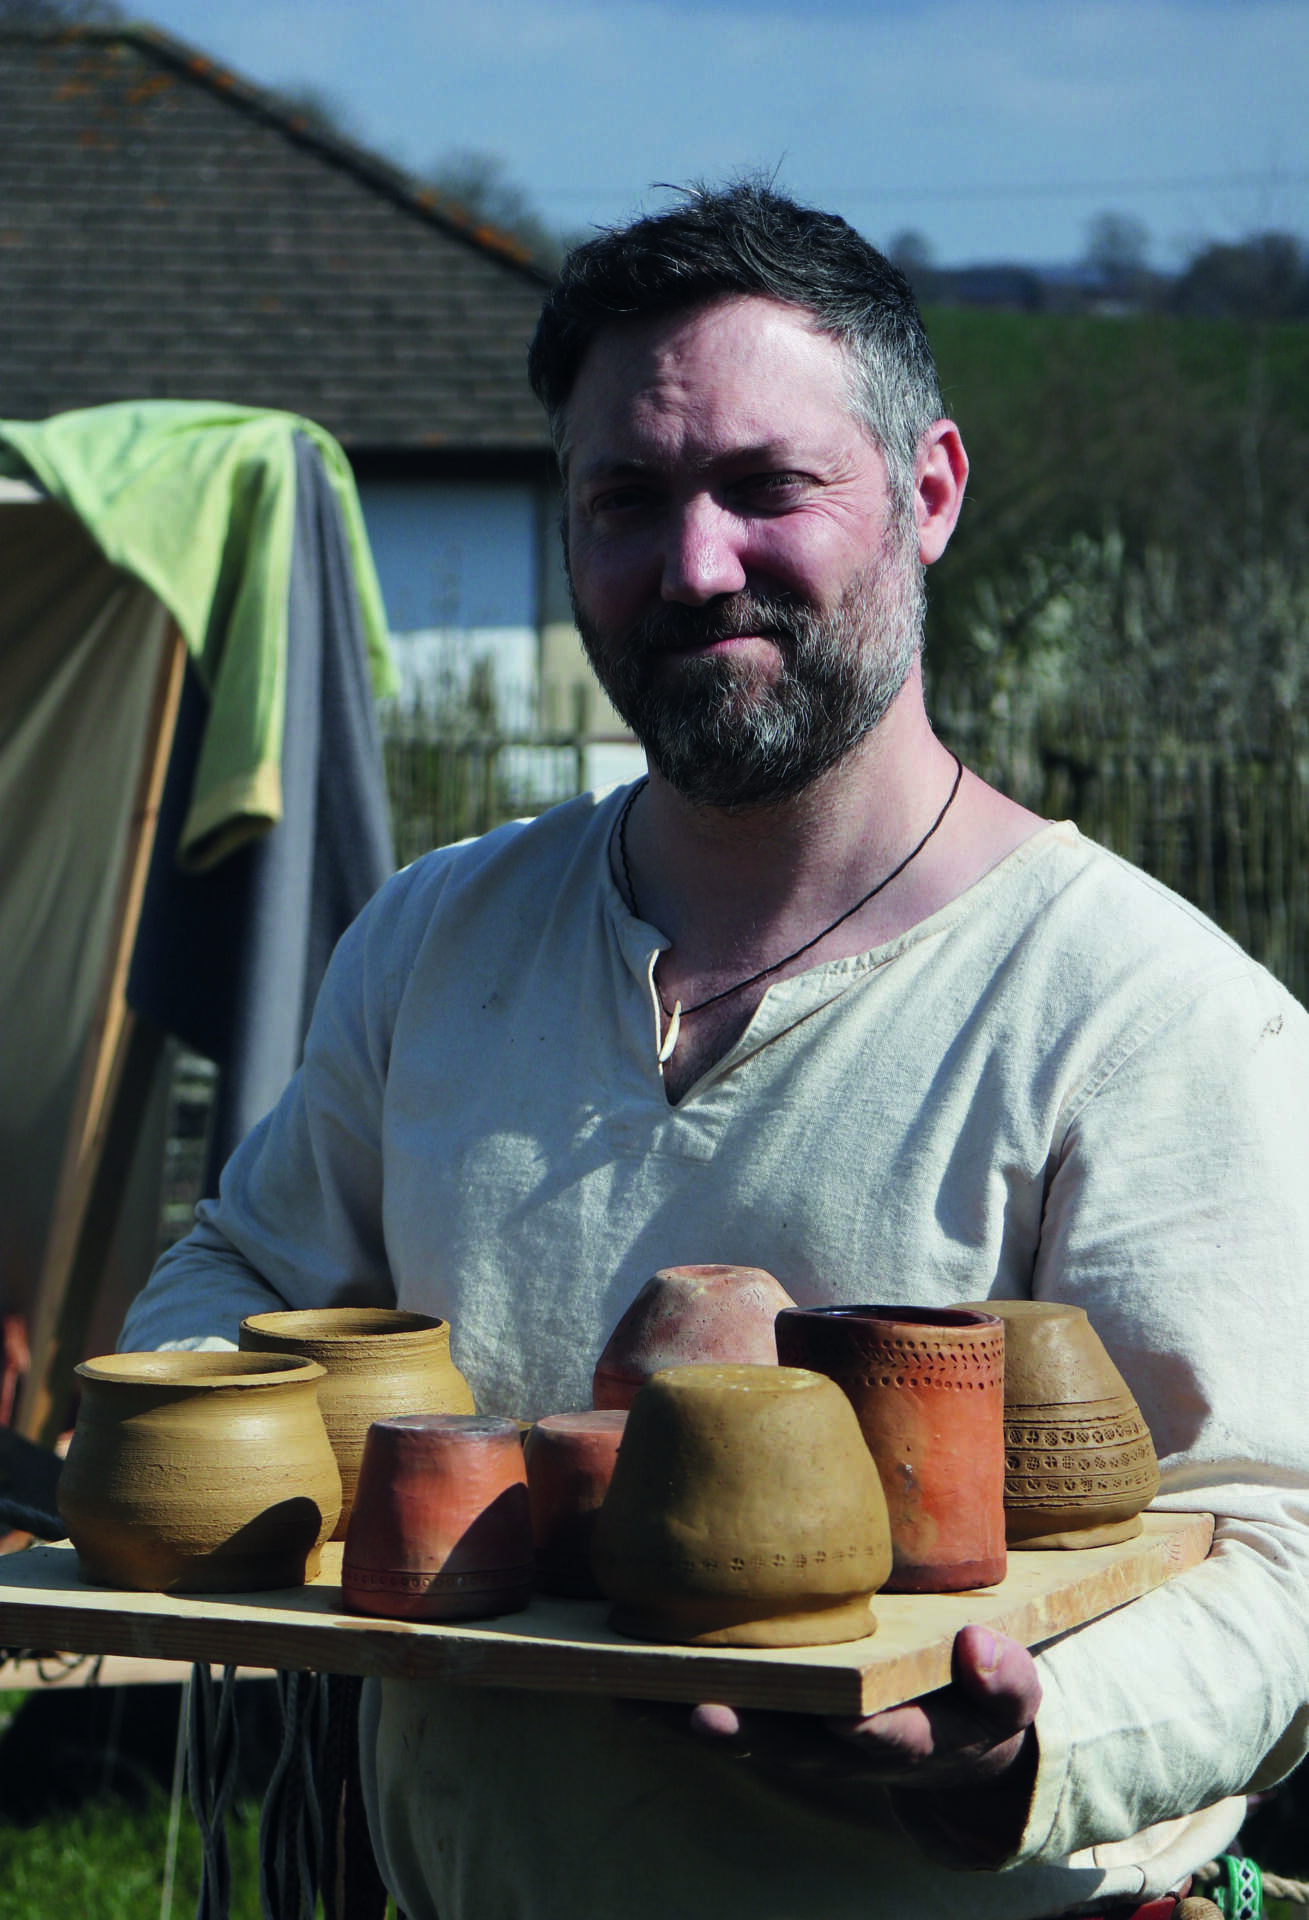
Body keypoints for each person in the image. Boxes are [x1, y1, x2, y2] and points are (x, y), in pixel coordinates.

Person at [122, 183, 1309, 1920]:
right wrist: (187, 1443)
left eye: (765, 487)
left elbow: (1280, 1549)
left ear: (929, 492)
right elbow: (245, 1265)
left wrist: (1025, 1749)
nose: (693, 567)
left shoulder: (1143, 1009)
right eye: (627, 500)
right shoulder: (439, 937)